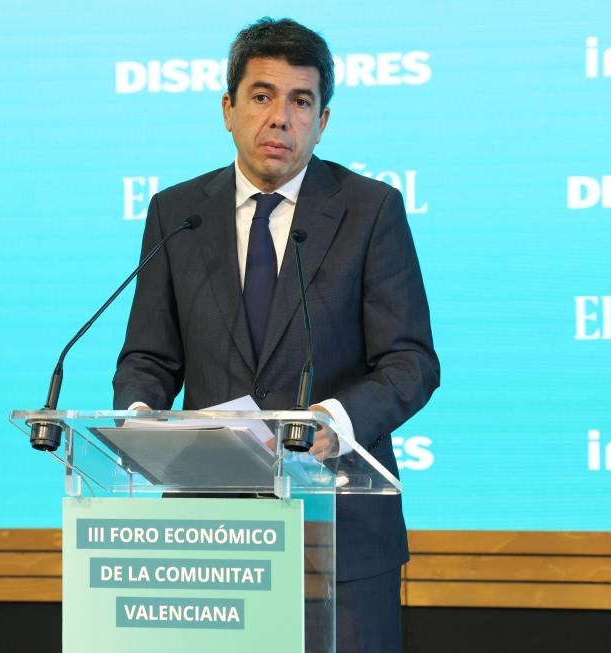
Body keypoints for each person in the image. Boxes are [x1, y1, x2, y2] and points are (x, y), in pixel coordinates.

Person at [113, 17, 439, 652]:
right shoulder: (177, 213)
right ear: (228, 108)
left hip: (341, 530)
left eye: (301, 101)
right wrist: (141, 418)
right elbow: (149, 355)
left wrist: (335, 421)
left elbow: (410, 362)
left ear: (323, 120)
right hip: (213, 531)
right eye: (262, 96)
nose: (280, 118)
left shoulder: (370, 209)